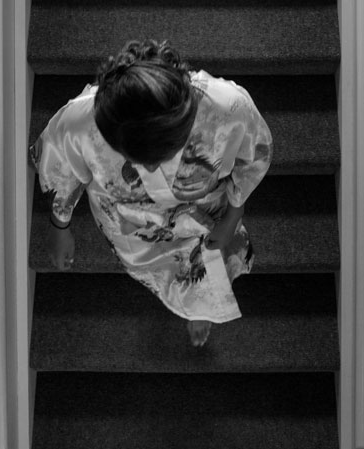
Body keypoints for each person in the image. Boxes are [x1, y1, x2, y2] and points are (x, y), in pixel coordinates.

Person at [31, 38, 272, 347]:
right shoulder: (77, 123)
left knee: (206, 266)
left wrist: (232, 215)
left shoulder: (229, 108)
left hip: (206, 210)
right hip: (132, 223)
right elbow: (60, 172)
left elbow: (252, 160)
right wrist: (59, 224)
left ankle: (198, 303)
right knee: (155, 267)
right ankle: (188, 297)